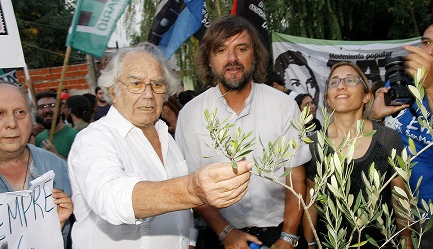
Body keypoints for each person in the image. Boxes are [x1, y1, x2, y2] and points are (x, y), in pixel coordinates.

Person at [67, 43, 254, 249]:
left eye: (157, 85)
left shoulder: (165, 136)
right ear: (113, 91)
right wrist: (192, 189)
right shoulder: (93, 139)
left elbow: (180, 214)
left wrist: (189, 240)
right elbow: (111, 199)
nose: (148, 95)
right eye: (136, 84)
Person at [176, 15, 311, 249]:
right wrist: (226, 232)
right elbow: (191, 186)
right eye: (221, 50)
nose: (232, 59)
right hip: (220, 235)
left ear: (255, 55)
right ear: (209, 60)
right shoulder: (191, 114)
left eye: (241, 48)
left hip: (280, 233)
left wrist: (288, 237)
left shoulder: (283, 106)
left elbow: (296, 177)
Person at [303, 62, 412, 248]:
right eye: (334, 82)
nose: (341, 86)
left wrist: (407, 241)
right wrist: (311, 244)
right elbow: (311, 203)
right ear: (328, 99)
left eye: (351, 80)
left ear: (366, 96)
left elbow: (400, 199)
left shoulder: (387, 139)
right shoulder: (314, 144)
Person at [370, 14, 433, 248]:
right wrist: (374, 116)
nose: (428, 52)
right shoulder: (400, 84)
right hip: (391, 209)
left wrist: (430, 87)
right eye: (426, 43)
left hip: (428, 217)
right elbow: (373, 138)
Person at [0, 81, 73, 248]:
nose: (12, 123)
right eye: (0, 113)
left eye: (20, 112)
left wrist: (55, 226)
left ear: (31, 119)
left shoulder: (57, 167)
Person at [34, 91, 78, 159]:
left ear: (61, 109)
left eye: (52, 106)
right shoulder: (39, 138)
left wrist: (55, 154)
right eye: (42, 107)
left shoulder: (74, 136)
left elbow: (79, 168)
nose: (47, 110)